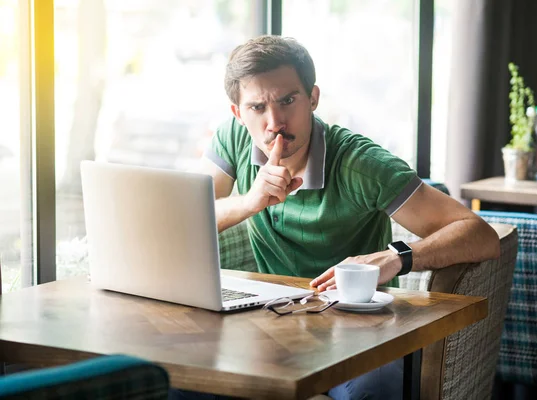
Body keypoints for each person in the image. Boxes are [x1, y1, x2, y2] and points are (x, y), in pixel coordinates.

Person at [171, 35, 500, 400]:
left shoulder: (362, 165)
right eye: (257, 108)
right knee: (181, 383)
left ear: (313, 98)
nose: (274, 122)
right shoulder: (235, 137)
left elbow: (479, 233)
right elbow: (188, 217)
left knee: (373, 393)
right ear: (237, 112)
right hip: (266, 322)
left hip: (355, 330)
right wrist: (249, 202)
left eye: (288, 100)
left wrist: (396, 257)